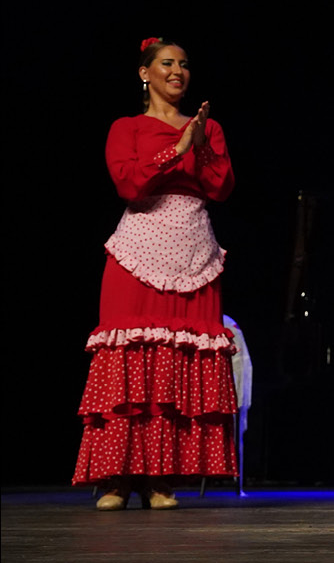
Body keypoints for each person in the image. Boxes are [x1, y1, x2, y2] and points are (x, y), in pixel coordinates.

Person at [74, 38, 238, 509]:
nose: (178, 71)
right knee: (132, 360)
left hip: (192, 248)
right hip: (138, 248)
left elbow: (221, 187)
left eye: (185, 64)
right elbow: (128, 182)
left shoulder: (209, 128)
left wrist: (201, 146)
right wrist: (175, 150)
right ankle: (115, 480)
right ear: (145, 72)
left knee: (175, 363)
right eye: (167, 63)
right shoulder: (126, 127)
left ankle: (161, 479)